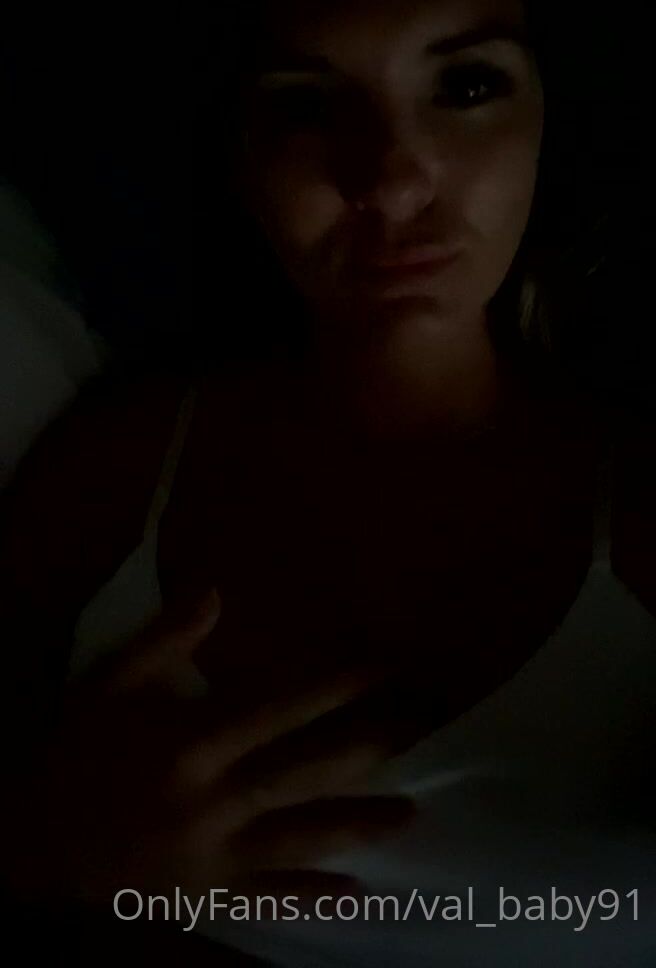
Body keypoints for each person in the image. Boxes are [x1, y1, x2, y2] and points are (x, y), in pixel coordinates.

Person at [2, 0, 655, 965]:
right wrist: (56, 856)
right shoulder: (114, 470)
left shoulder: (642, 506)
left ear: (548, 125)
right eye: (307, 106)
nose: (392, 183)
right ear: (239, 154)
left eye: (467, 86)